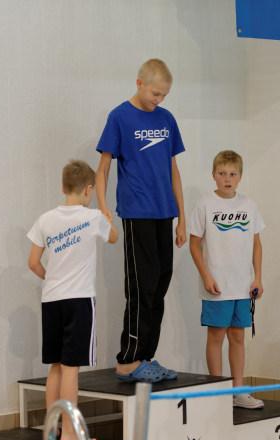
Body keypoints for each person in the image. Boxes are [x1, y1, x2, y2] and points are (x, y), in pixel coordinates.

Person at [95, 58, 186, 383]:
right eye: (154, 94)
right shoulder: (119, 117)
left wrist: (182, 217)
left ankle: (146, 356)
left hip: (164, 212)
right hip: (137, 213)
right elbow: (103, 168)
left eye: (163, 95)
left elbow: (174, 170)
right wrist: (103, 208)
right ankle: (128, 360)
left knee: (159, 285)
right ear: (139, 83)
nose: (158, 100)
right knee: (140, 287)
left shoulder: (166, 119)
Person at [27, 160, 118, 440]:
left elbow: (33, 262)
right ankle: (69, 433)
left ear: (63, 186)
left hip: (51, 299)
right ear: (88, 190)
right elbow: (114, 237)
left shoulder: (45, 219)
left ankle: (51, 429)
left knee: (56, 366)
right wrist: (107, 216)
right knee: (71, 369)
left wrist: (52, 278)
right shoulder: (92, 217)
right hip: (78, 299)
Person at [190, 150, 265, 409]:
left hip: (243, 286)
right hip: (217, 286)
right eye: (222, 173)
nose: (227, 179)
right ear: (213, 175)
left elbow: (257, 244)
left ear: (240, 176)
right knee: (216, 337)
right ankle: (217, 392)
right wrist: (206, 275)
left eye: (232, 174)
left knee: (238, 337)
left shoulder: (249, 205)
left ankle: (238, 391)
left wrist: (258, 278)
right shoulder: (204, 204)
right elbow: (194, 244)